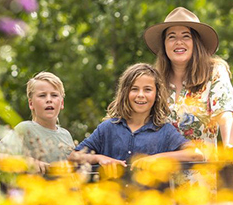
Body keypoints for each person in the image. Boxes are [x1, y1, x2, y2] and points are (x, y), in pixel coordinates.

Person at [143, 7, 233, 165]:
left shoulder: (214, 72)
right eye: (171, 37)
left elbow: (225, 115)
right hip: (159, 177)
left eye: (186, 36)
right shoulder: (154, 80)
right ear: (164, 45)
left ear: (196, 43)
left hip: (203, 176)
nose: (179, 42)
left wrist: (231, 148)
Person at [69, 63, 204, 167]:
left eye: (147, 89)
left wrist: (157, 158)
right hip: (112, 202)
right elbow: (73, 157)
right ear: (125, 93)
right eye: (134, 89)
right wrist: (99, 158)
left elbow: (196, 155)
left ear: (156, 95)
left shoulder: (164, 131)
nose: (140, 95)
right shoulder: (107, 128)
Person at [0, 72, 75, 173]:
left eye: (54, 95)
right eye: (42, 95)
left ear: (61, 103)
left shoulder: (66, 135)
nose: (49, 100)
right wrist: (26, 162)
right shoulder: (25, 128)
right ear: (31, 103)